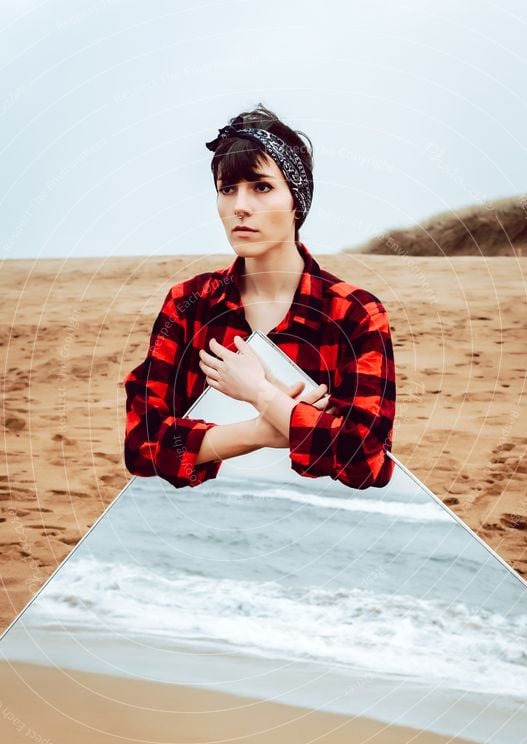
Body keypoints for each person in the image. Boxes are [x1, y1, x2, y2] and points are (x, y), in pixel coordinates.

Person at [123, 103, 396, 491]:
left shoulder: (354, 314)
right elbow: (142, 446)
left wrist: (258, 392)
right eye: (227, 189)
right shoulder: (190, 303)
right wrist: (263, 429)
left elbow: (367, 461)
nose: (240, 207)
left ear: (296, 201)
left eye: (262, 187)